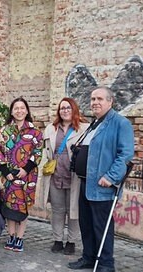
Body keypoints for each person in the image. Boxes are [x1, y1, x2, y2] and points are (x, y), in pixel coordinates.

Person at [67, 86, 134, 272]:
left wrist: (111, 177)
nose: (95, 102)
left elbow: (126, 155)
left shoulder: (120, 124)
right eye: (93, 99)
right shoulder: (94, 123)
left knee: (101, 226)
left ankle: (106, 263)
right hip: (85, 183)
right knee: (86, 223)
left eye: (100, 99)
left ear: (110, 101)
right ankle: (89, 257)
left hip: (102, 185)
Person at [0, 97, 44, 252]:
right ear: (12, 112)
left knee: (23, 206)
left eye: (22, 108)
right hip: (8, 176)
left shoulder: (35, 132)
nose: (19, 111)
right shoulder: (3, 131)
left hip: (26, 176)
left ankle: (20, 238)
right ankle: (11, 235)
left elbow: (38, 151)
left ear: (26, 110)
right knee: (9, 207)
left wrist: (26, 169)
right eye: (16, 108)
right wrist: (5, 171)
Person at [42, 98, 89, 255]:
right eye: (62, 108)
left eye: (68, 107)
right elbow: (45, 152)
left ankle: (71, 241)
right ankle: (57, 240)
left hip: (74, 176)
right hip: (56, 175)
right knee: (57, 210)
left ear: (74, 109)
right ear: (58, 111)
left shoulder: (84, 128)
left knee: (73, 210)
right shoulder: (51, 128)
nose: (65, 110)